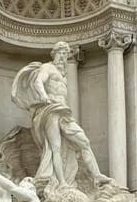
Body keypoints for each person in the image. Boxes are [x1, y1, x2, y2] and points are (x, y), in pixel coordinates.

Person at [11, 42, 110, 187]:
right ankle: (62, 182)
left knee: (84, 142)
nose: (63, 57)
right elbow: (38, 82)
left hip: (63, 111)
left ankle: (97, 175)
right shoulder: (47, 68)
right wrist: (44, 96)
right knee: (55, 147)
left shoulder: (63, 75)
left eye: (66, 54)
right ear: (55, 53)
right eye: (61, 53)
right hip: (50, 109)